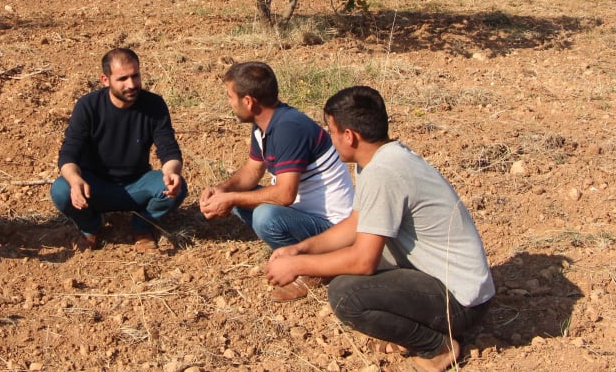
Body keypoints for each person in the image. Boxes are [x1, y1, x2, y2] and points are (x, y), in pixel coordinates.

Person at [264, 86, 495, 372]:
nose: (329, 138)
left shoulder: (383, 172)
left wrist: (298, 265)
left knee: (346, 294)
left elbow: (363, 260)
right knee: (345, 263)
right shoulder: (380, 158)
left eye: (332, 131)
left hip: (461, 303)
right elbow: (356, 223)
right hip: (450, 283)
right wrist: (301, 248)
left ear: (350, 136)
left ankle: (437, 346)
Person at [199, 61, 354, 300]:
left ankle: (314, 268)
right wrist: (222, 190)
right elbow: (252, 171)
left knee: (265, 216)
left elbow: (284, 195)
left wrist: (231, 198)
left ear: (249, 101)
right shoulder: (264, 124)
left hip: (333, 228)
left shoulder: (288, 128)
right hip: (302, 213)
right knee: (242, 202)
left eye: (230, 97)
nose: (229, 103)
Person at [50, 47, 187, 253]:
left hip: (136, 184)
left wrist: (171, 172)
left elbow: (169, 150)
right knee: (61, 190)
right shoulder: (88, 106)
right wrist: (75, 180)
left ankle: (141, 227)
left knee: (177, 188)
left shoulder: (154, 104)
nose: (131, 84)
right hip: (94, 186)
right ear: (106, 80)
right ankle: (90, 227)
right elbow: (69, 153)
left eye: (135, 76)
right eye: (123, 79)